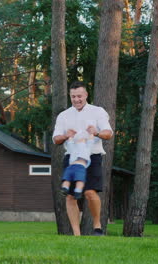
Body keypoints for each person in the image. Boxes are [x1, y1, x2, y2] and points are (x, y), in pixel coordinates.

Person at [53, 81, 113, 236]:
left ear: (86, 95)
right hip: (71, 158)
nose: (76, 99)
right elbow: (56, 139)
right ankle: (76, 234)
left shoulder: (98, 111)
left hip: (92, 156)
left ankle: (97, 225)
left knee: (89, 193)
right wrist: (66, 135)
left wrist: (97, 132)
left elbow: (108, 133)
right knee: (70, 196)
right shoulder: (64, 115)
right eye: (73, 96)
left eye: (79, 96)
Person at [60, 130, 99, 200]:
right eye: (78, 140)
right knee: (67, 179)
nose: (80, 140)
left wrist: (91, 133)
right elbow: (70, 142)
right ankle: (65, 188)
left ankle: (78, 191)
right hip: (70, 167)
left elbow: (91, 140)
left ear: (86, 143)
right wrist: (71, 135)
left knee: (80, 180)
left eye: (83, 140)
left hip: (80, 167)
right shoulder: (73, 148)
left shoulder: (87, 148)